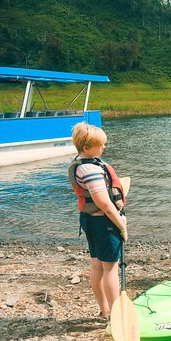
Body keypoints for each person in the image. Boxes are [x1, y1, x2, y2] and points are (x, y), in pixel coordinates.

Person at [68, 122, 129, 319]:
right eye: (100, 144)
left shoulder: (82, 164)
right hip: (104, 223)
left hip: (89, 220)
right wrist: (122, 225)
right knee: (110, 268)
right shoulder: (91, 170)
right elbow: (104, 203)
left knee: (96, 265)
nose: (104, 147)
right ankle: (116, 315)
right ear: (86, 148)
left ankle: (105, 310)